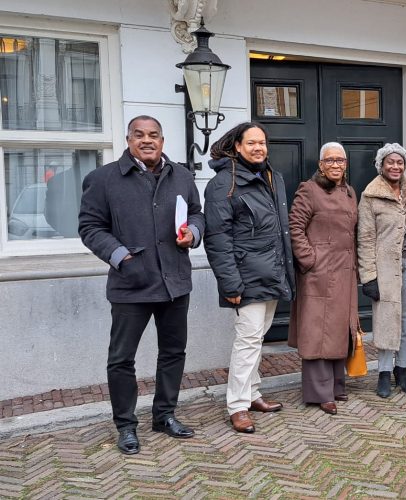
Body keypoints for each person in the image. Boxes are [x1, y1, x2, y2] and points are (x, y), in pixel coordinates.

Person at [79, 115, 204, 455]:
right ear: (128, 139)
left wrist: (193, 232)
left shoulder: (181, 175)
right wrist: (122, 257)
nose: (147, 140)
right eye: (139, 135)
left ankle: (164, 415)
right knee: (122, 359)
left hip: (175, 282)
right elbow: (90, 227)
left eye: (154, 135)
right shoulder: (103, 179)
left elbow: (196, 212)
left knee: (173, 352)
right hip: (131, 284)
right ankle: (125, 426)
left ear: (163, 140)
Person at [203, 122, 295, 433]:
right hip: (245, 276)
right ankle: (237, 405)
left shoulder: (272, 176)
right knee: (247, 341)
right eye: (251, 143)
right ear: (237, 147)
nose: (258, 148)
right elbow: (218, 238)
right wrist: (230, 283)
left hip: (271, 271)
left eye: (262, 143)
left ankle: (253, 394)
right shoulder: (223, 184)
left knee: (257, 340)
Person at [288, 142, 359, 415]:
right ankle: (319, 392)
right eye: (329, 160)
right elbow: (295, 226)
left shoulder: (350, 191)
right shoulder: (309, 189)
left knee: (340, 329)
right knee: (318, 331)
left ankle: (336, 385)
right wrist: (310, 260)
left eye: (340, 160)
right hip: (318, 273)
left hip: (344, 271)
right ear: (320, 164)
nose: (335, 165)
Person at [358, 143, 406, 398]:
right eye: (390, 162)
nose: (395, 166)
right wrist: (369, 277)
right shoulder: (370, 196)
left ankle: (403, 370)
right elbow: (365, 238)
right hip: (386, 270)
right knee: (386, 321)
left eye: (400, 162)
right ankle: (384, 373)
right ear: (381, 165)